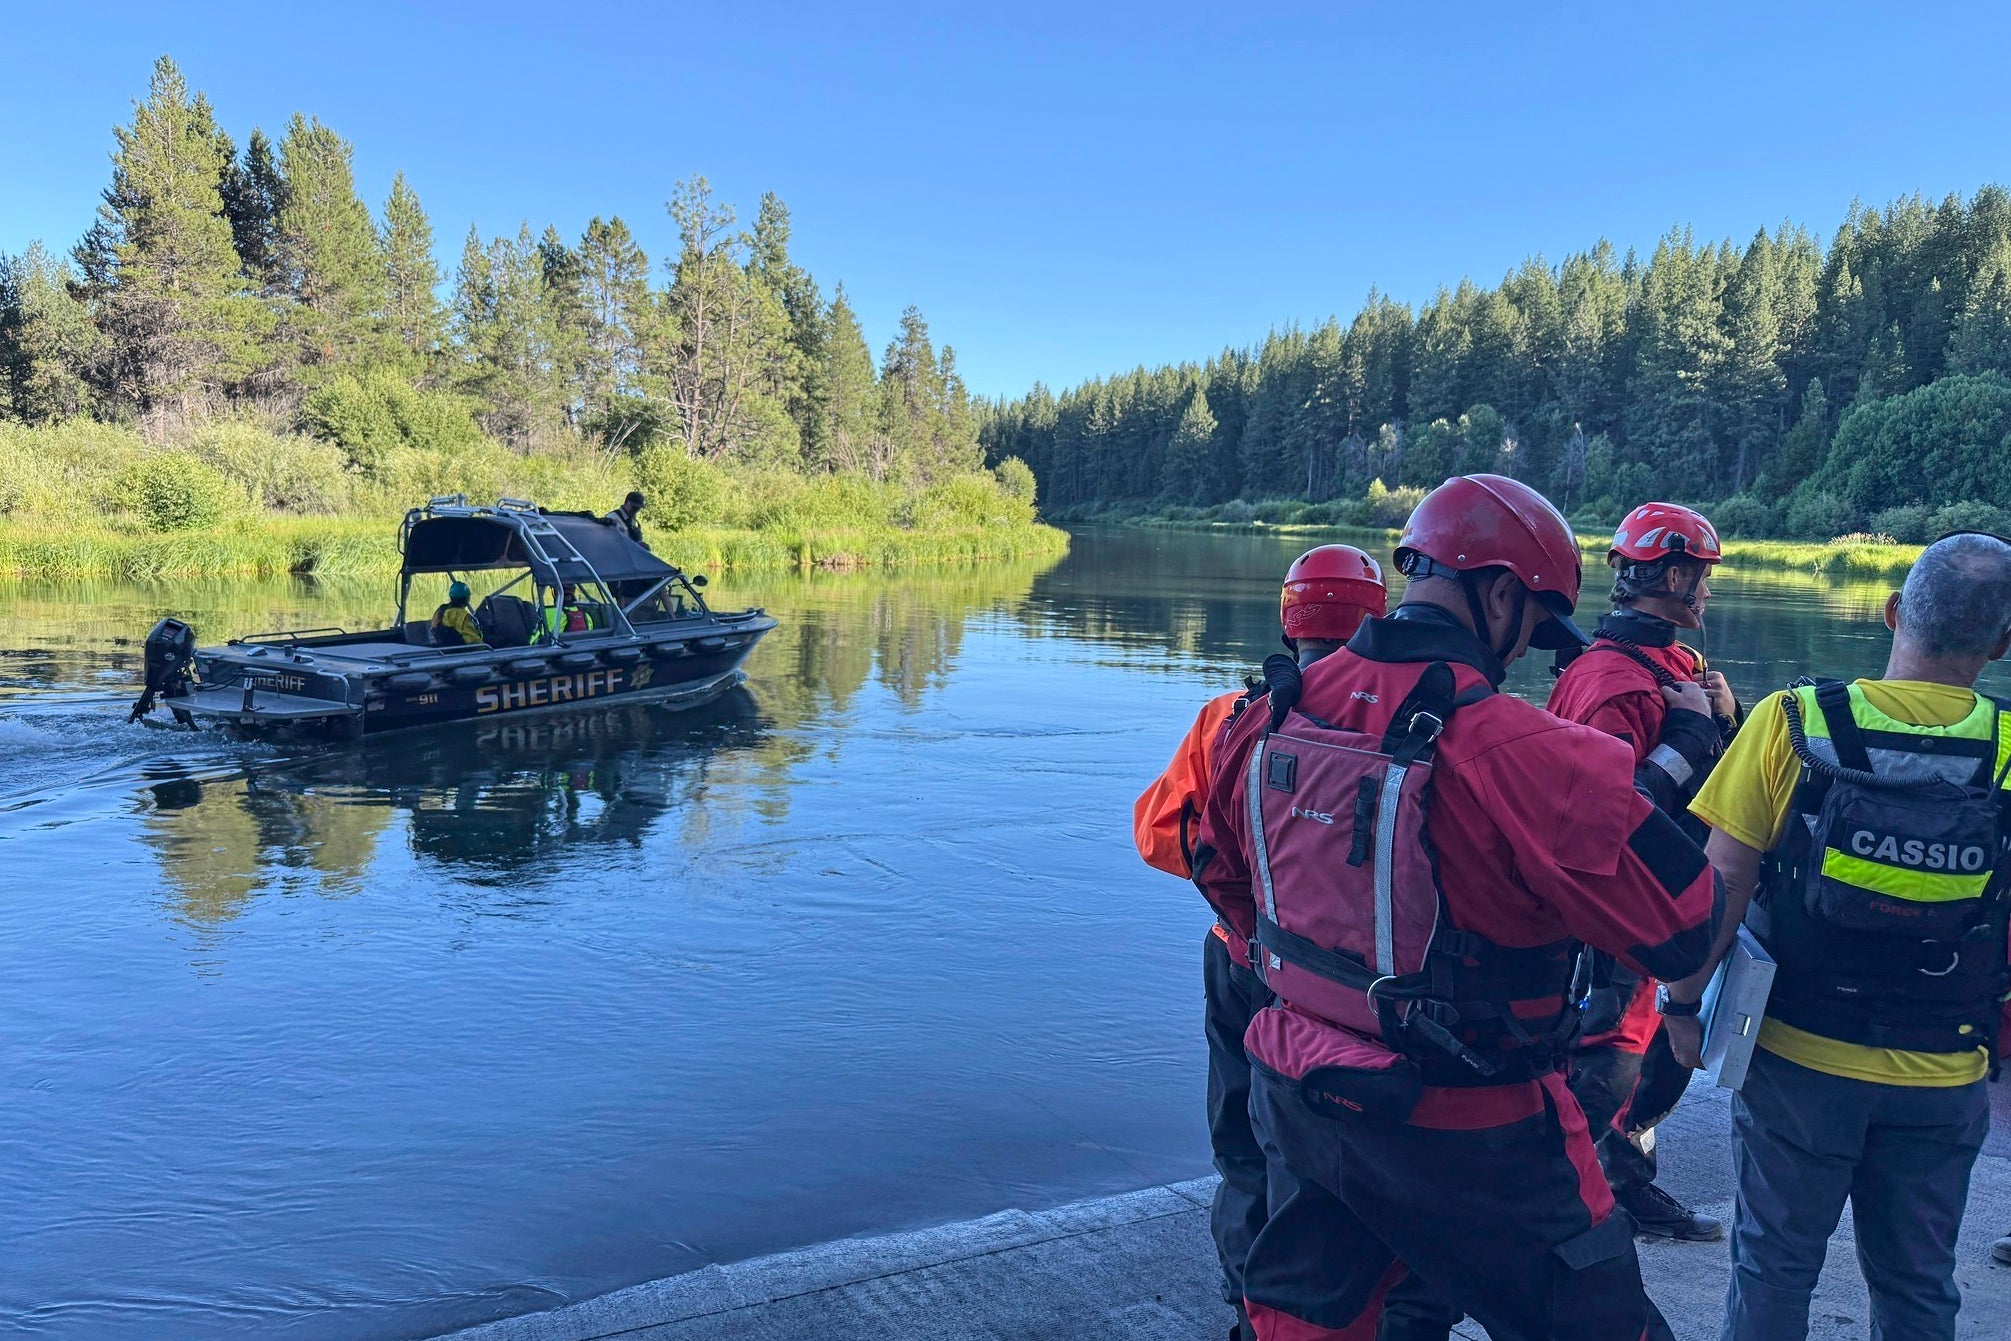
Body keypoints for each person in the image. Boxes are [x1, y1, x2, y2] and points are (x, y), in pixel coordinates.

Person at [1197, 474, 1720, 1341]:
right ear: (1502, 595)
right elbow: (1683, 926)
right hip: (1476, 1125)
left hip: (1302, 1092)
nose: (1523, 656)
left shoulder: (1261, 718)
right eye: (1533, 626)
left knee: (1304, 1322)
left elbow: (1221, 875)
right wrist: (1687, 750)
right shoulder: (1520, 748)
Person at [1669, 531, 2011, 1341]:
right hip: (1945, 1067)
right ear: (2001, 644)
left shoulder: (1790, 721)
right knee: (1918, 1285)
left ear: (1892, 611)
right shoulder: (2004, 750)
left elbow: (1722, 883)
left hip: (1797, 1057)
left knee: (1772, 1267)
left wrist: (1679, 1004)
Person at [1134, 545, 1391, 1340]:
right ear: (1377, 618)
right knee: (1327, 1153)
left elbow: (1158, 833)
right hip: (1348, 984)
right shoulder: (1405, 719)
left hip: (1239, 955)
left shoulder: (1230, 715)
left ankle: (1247, 1294)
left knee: (1241, 1140)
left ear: (1290, 620)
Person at [1546, 503, 1736, 1243]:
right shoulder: (1614, 683)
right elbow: (1605, 815)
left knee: (1660, 1051)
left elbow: (1715, 784)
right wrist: (1690, 730)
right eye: (1702, 577)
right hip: (1618, 911)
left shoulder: (1667, 668)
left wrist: (1724, 719)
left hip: (1665, 897)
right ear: (1676, 576)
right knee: (1612, 1058)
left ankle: (1621, 1180)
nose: (1708, 592)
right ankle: (1560, 1204)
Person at [430, 580, 481, 647]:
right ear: (467, 598)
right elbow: (473, 640)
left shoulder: (441, 610)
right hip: (461, 650)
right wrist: (485, 647)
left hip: (443, 648)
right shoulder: (462, 615)